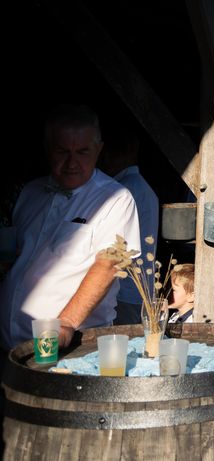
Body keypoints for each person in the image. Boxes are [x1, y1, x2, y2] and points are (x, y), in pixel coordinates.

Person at [0, 104, 141, 351]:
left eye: (83, 152)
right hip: (9, 344)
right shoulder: (31, 192)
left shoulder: (116, 198)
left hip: (67, 347)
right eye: (62, 151)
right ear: (47, 150)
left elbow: (109, 264)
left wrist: (64, 325)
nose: (72, 163)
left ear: (99, 150)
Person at [99, 124, 159, 325]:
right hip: (137, 286)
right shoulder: (141, 187)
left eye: (107, 154)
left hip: (125, 289)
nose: (103, 160)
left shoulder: (122, 190)